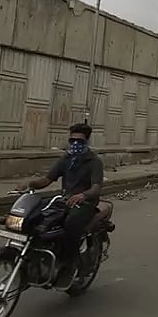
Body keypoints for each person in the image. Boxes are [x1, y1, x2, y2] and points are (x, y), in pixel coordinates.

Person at [16, 123, 104, 287]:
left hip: (85, 204)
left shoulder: (94, 161)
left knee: (71, 224)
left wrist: (83, 195)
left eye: (79, 141)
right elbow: (47, 179)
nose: (75, 144)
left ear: (87, 141)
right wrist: (29, 184)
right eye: (72, 140)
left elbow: (96, 188)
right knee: (36, 217)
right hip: (64, 200)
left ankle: (69, 265)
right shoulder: (66, 159)